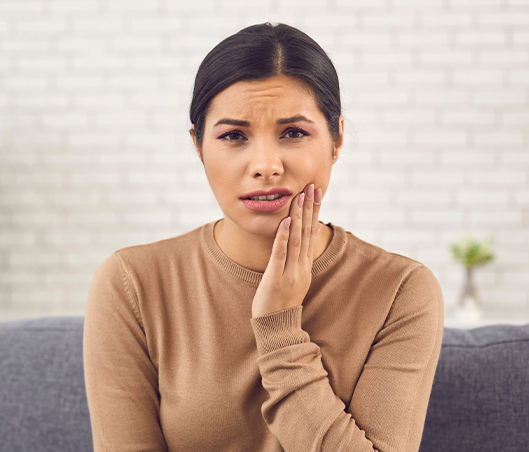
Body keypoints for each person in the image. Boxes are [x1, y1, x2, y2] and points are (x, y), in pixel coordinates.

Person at [83, 22, 444, 452]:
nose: (266, 165)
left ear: (337, 139)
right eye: (233, 136)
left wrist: (279, 330)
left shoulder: (400, 290)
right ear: (198, 146)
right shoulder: (132, 283)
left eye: (293, 133)